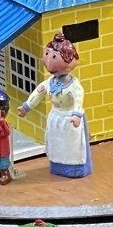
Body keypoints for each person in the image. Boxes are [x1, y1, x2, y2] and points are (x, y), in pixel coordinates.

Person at [18, 32, 90, 178]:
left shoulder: (74, 86)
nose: (49, 60)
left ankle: (75, 168)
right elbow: (38, 93)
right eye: (47, 54)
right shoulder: (49, 83)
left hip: (69, 118)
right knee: (56, 144)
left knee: (72, 146)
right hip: (56, 117)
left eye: (55, 56)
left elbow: (78, 98)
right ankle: (57, 165)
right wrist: (27, 107)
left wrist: (76, 115)